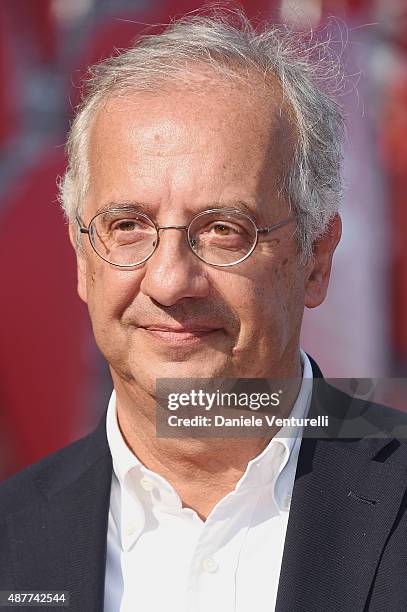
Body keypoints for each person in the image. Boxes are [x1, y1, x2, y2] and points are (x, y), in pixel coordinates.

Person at [1, 9, 407, 612]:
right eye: (127, 226)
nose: (169, 280)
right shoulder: (13, 538)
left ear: (316, 260)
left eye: (223, 229)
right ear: (83, 258)